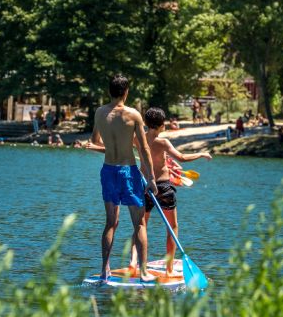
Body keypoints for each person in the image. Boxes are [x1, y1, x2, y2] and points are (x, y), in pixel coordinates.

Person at [87, 74, 158, 282]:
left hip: (108, 170)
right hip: (128, 171)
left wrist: (111, 148)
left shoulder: (100, 113)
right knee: (139, 224)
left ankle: (104, 270)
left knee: (110, 223)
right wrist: (152, 178)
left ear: (109, 91)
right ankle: (144, 272)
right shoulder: (134, 115)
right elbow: (144, 148)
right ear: (126, 92)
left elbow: (94, 142)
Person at [130, 107, 212, 274]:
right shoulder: (163, 143)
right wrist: (201, 153)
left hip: (144, 186)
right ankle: (169, 269)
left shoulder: (137, 139)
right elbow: (182, 157)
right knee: (172, 227)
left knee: (140, 225)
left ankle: (133, 262)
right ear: (161, 125)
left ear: (146, 123)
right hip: (163, 187)